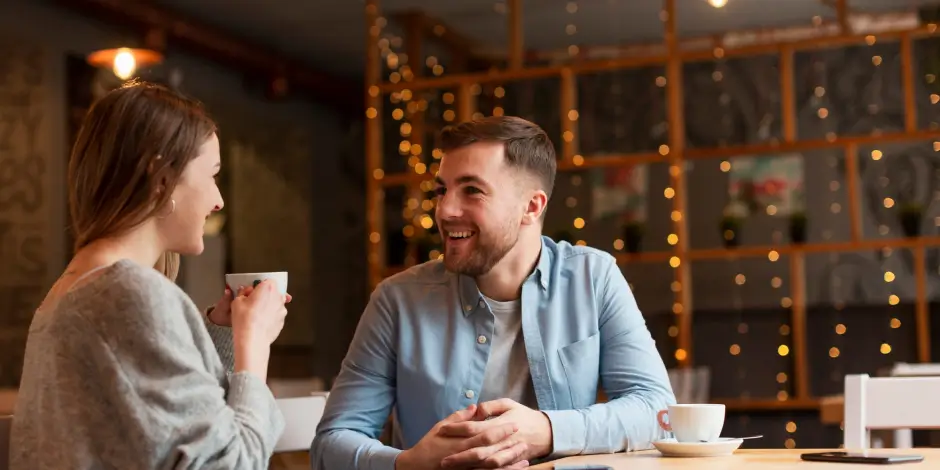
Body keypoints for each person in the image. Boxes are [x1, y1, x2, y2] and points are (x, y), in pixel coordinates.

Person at [311, 116, 676, 470]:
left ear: (531, 207)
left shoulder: (593, 277)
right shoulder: (397, 300)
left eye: (472, 190)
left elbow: (657, 412)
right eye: (442, 190)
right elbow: (331, 443)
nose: (445, 210)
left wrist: (545, 431)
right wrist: (408, 463)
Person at [11, 80, 291, 469]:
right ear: (161, 178)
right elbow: (231, 464)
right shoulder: (128, 292)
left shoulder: (72, 290)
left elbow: (159, 430)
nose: (218, 200)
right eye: (212, 175)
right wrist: (254, 345)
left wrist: (222, 336)